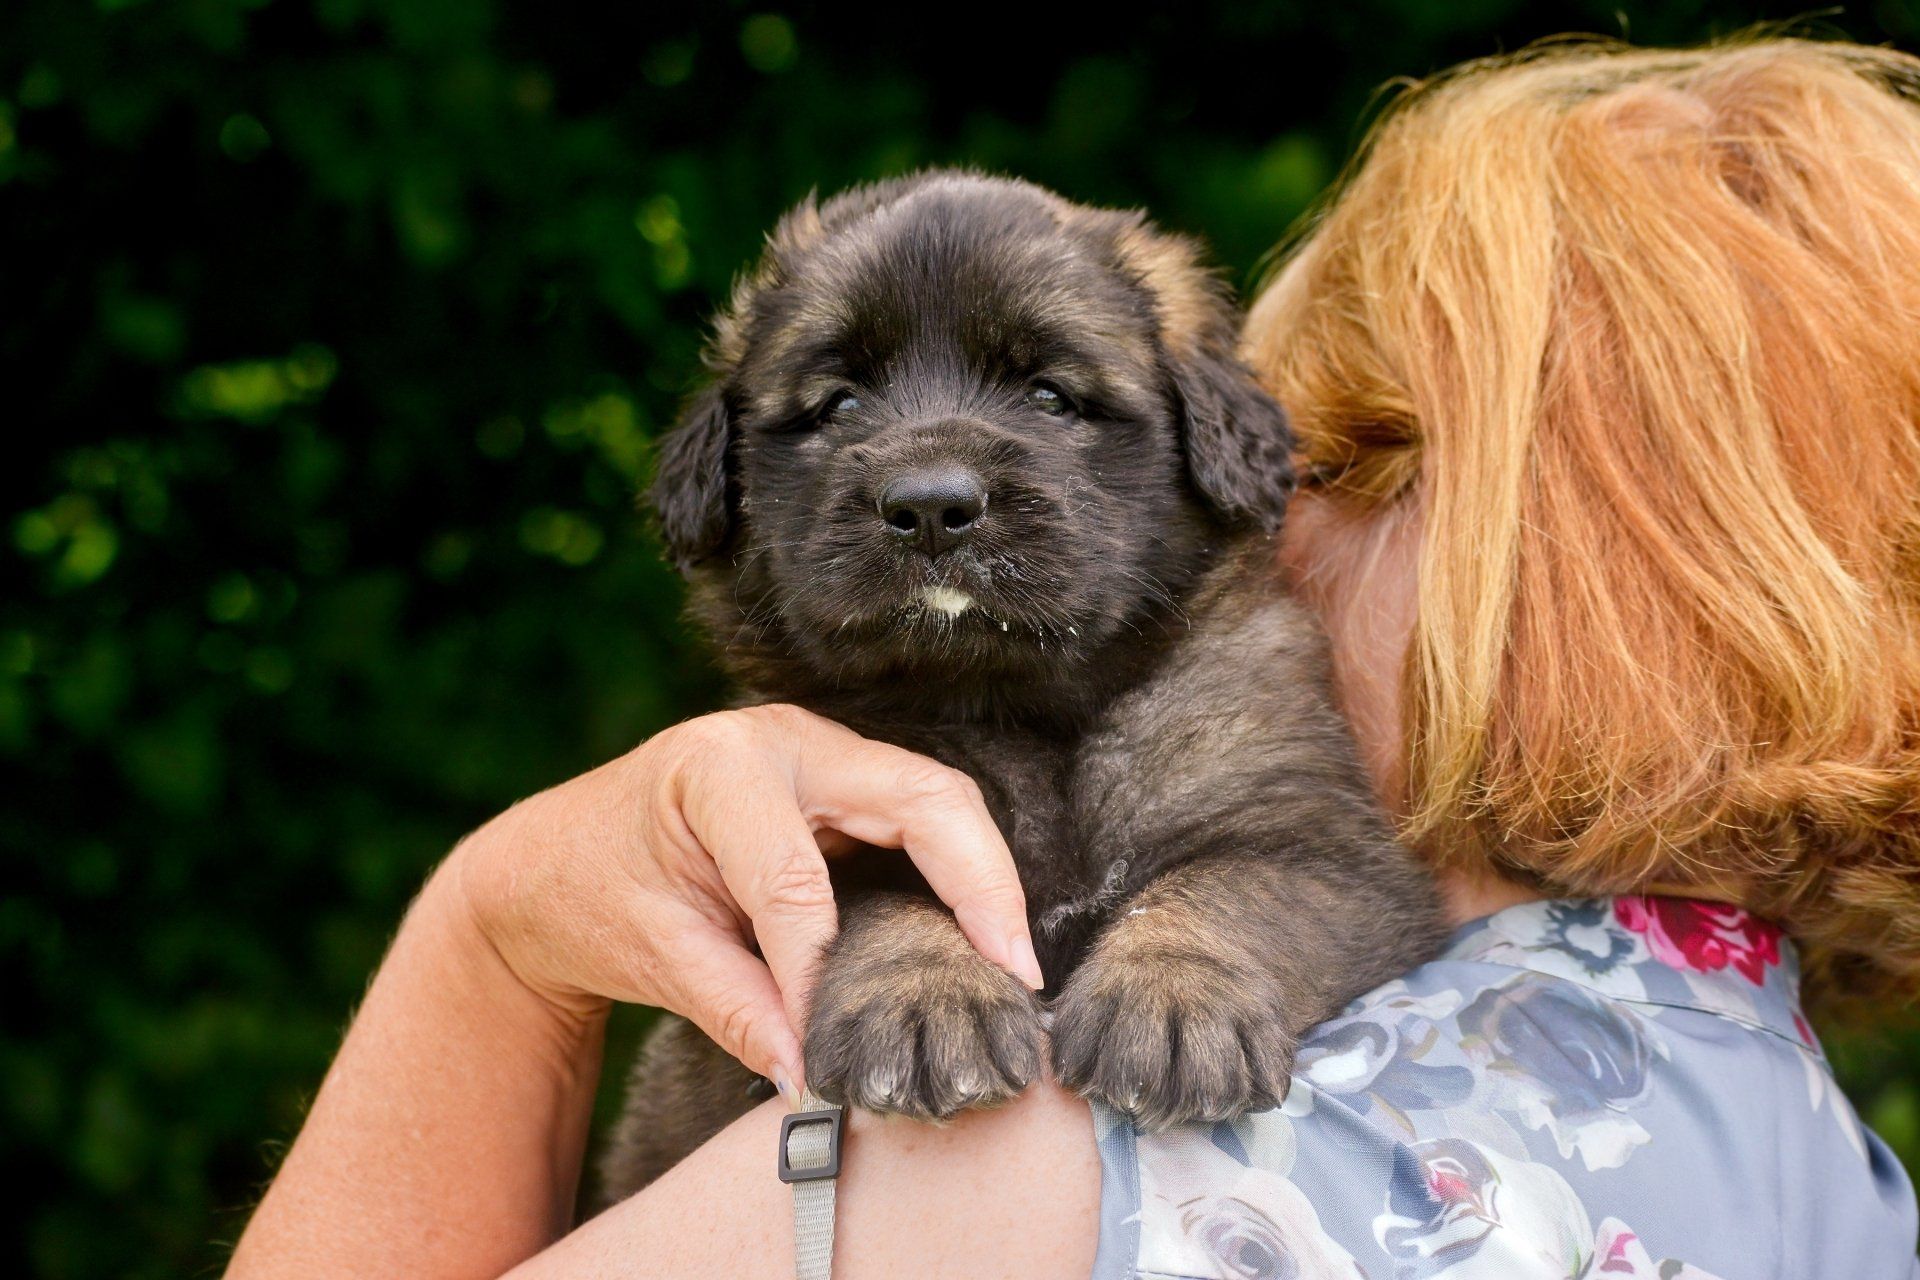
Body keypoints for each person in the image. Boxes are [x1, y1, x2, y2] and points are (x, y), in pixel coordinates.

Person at [227, 36, 1920, 1279]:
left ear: (1545, 549)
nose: (1279, 520)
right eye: (831, 413)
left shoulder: (1097, 1176)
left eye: (1328, 451)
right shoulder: (1770, 1129)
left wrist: (493, 939)